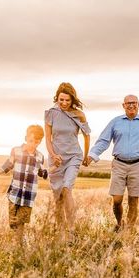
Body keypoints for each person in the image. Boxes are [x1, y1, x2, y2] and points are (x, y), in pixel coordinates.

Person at [87, 94, 139, 232]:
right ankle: (119, 223)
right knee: (117, 200)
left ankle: (128, 230)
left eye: (134, 102)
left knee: (133, 201)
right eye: (128, 103)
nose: (131, 105)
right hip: (119, 164)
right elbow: (104, 140)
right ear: (123, 105)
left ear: (138, 104)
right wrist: (93, 154)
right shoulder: (115, 122)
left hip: (138, 165)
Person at [0, 125, 52, 245]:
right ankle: (17, 238)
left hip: (29, 194)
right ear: (25, 138)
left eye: (37, 142)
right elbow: (8, 164)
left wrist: (51, 170)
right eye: (31, 141)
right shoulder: (16, 150)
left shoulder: (40, 156)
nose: (33, 144)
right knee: (13, 220)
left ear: (40, 142)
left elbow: (42, 172)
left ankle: (18, 244)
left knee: (21, 220)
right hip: (15, 192)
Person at [45, 82, 90, 233]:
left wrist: (85, 154)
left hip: (73, 156)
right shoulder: (50, 113)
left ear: (72, 100)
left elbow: (87, 135)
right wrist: (53, 155)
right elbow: (48, 139)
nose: (64, 103)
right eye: (61, 99)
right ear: (56, 98)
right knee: (57, 197)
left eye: (67, 100)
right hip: (56, 159)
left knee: (66, 189)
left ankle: (71, 231)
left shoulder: (79, 114)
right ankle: (61, 231)